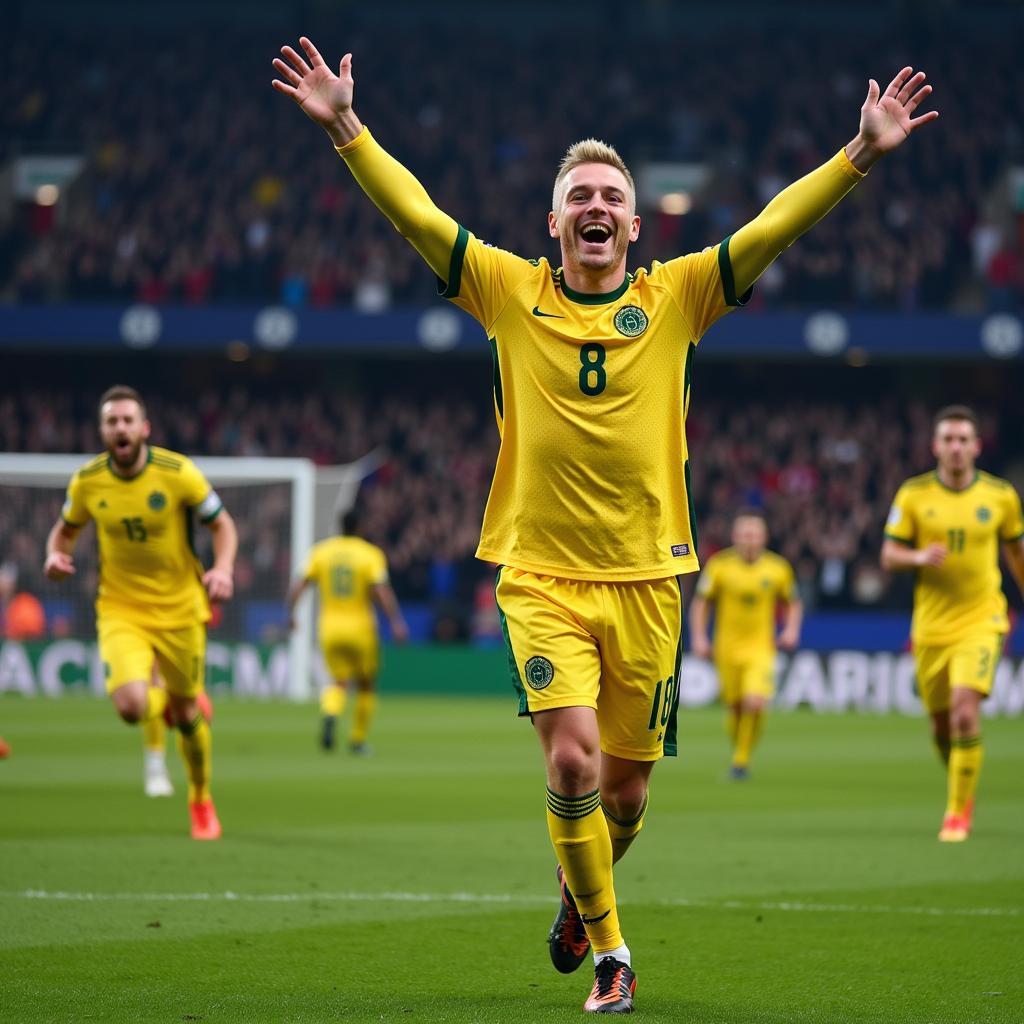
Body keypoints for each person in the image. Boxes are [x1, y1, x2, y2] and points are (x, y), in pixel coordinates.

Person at [273, 39, 936, 1013]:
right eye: (578, 194)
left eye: (608, 196)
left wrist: (861, 154)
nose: (594, 206)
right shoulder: (507, 290)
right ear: (553, 221)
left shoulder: (677, 296)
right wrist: (345, 130)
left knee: (622, 796)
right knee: (571, 759)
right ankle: (612, 954)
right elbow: (416, 215)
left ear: (634, 219)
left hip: (649, 581)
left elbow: (770, 228)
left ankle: (578, 897)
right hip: (539, 575)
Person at [43, 385, 237, 840]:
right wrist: (54, 557)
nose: (121, 428)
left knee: (190, 719)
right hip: (120, 607)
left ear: (144, 428)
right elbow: (64, 532)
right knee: (131, 706)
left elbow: (222, 523)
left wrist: (223, 568)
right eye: (112, 421)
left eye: (128, 420)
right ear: (103, 431)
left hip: (181, 608)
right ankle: (167, 705)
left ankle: (200, 801)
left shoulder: (177, 472)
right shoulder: (88, 481)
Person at [881, 405, 1024, 842]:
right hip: (931, 627)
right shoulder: (914, 494)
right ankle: (962, 781)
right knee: (941, 726)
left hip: (983, 619)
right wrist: (918, 556)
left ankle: (957, 812)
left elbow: (1016, 554)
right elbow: (889, 556)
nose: (957, 447)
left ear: (977, 446)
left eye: (964, 439)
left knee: (965, 710)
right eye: (949, 439)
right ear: (936, 446)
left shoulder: (1000, 497)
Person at [689, 511, 802, 779]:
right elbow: (702, 603)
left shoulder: (778, 568)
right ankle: (742, 751)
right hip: (726, 648)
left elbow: (793, 602)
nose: (749, 540)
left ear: (764, 537)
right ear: (735, 537)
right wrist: (699, 637)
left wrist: (791, 629)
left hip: (761, 648)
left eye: (754, 534)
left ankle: (741, 761)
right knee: (736, 708)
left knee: (755, 701)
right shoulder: (719, 565)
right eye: (744, 534)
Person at [287, 509, 408, 754]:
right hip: (360, 629)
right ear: (360, 528)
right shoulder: (369, 554)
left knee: (338, 683)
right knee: (365, 685)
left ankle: (330, 712)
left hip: (329, 629)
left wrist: (291, 614)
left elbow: (299, 584)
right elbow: (381, 591)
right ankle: (357, 740)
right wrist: (395, 621)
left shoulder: (322, 551)